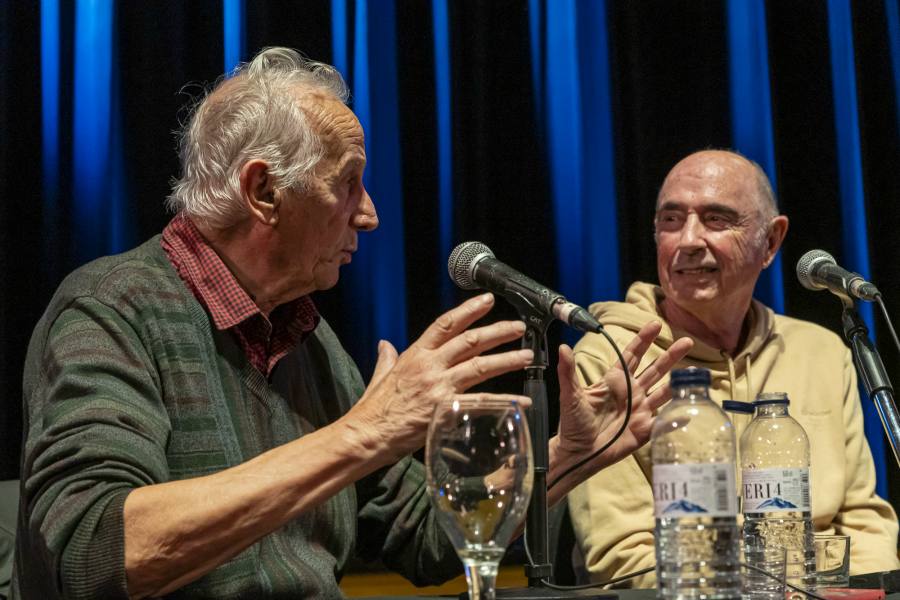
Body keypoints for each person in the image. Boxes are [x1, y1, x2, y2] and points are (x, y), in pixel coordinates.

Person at [12, 47, 692, 600]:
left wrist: (567, 454)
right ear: (264, 191)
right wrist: (366, 432)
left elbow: (425, 540)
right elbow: (97, 553)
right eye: (348, 183)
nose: (368, 215)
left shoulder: (307, 338)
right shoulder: (111, 309)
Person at [568, 149, 900, 588]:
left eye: (716, 219)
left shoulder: (821, 352)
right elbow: (623, 555)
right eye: (671, 220)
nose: (688, 240)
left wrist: (864, 591)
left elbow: (863, 521)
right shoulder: (609, 360)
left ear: (771, 241)